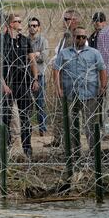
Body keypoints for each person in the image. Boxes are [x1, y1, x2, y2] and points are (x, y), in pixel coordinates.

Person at [0, 14, 39, 158]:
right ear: (10, 24)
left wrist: (35, 78)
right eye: (17, 21)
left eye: (20, 20)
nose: (20, 23)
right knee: (5, 117)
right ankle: (6, 148)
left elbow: (32, 61)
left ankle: (27, 149)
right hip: (8, 84)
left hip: (23, 82)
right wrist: (4, 84)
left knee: (25, 117)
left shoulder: (24, 40)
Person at [54, 26, 107, 161]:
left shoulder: (94, 53)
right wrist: (58, 88)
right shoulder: (64, 53)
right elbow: (56, 70)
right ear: (73, 37)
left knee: (90, 125)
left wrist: (103, 86)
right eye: (78, 37)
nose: (81, 39)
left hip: (89, 94)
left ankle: (94, 154)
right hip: (70, 94)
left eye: (84, 37)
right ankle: (74, 154)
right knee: (72, 126)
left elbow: (102, 69)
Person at [45, 9, 81, 147]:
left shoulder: (78, 38)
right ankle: (58, 139)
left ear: (75, 21)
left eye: (68, 19)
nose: (64, 22)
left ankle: (71, 142)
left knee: (71, 113)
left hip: (71, 80)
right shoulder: (65, 37)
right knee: (59, 112)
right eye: (64, 19)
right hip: (61, 79)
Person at [28, 17, 49, 136]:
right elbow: (21, 57)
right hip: (27, 76)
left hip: (40, 75)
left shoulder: (43, 41)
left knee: (40, 103)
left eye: (35, 25)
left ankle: (43, 128)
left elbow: (44, 57)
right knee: (27, 104)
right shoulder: (24, 40)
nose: (32, 27)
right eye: (30, 25)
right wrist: (35, 54)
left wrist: (31, 56)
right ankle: (27, 128)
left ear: (39, 27)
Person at [95, 12, 109, 134]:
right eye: (95, 20)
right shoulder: (99, 34)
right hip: (104, 74)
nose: (97, 22)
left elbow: (104, 59)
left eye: (100, 20)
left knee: (106, 105)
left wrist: (104, 79)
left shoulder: (102, 34)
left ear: (104, 21)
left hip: (105, 74)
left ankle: (107, 130)